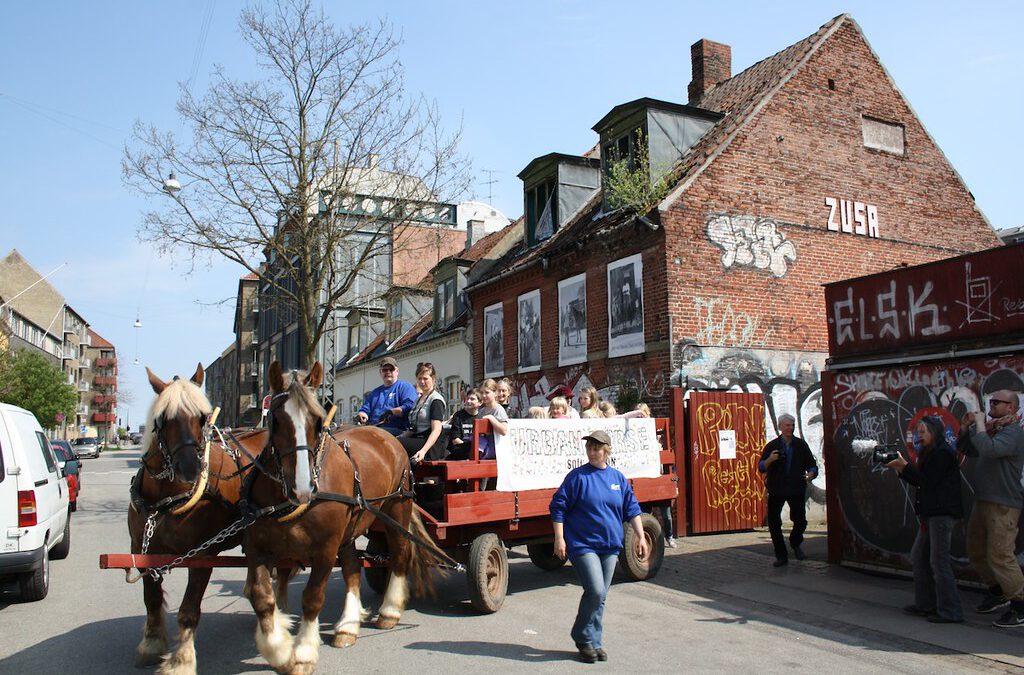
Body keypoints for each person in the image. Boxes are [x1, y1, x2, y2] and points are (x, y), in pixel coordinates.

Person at [550, 430, 648, 663]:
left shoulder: (617, 478)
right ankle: (582, 637)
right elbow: (558, 507)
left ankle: (595, 641)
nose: (593, 453)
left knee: (601, 595)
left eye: (597, 449)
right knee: (595, 590)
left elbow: (632, 509)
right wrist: (559, 538)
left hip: (610, 545)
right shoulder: (578, 477)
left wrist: (641, 536)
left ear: (607, 451)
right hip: (583, 544)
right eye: (590, 448)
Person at [885, 416, 964, 623]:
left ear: (934, 432)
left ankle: (950, 610)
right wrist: (900, 467)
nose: (920, 436)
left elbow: (927, 482)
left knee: (938, 561)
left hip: (941, 513)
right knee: (919, 556)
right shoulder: (930, 453)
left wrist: (903, 466)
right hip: (931, 513)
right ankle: (926, 604)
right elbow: (921, 482)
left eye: (923, 432)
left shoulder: (942, 454)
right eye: (918, 432)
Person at [961, 389, 1024, 628]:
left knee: (1001, 554)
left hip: (1003, 504)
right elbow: (969, 449)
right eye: (991, 401)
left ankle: (1020, 605)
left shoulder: (1013, 433)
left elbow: (989, 449)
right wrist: (966, 427)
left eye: (997, 402)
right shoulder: (991, 430)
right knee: (976, 550)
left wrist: (978, 425)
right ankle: (998, 592)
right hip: (984, 499)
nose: (992, 405)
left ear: (1011, 407)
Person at [758, 413, 818, 567]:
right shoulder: (772, 446)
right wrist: (770, 459)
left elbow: (811, 464)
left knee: (800, 521)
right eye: (787, 425)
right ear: (780, 427)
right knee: (774, 523)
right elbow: (761, 466)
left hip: (796, 487)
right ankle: (781, 556)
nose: (790, 428)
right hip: (777, 488)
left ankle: (795, 541)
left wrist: (811, 473)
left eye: (792, 425)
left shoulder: (800, 445)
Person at [631, 402, 675, 548]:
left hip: (659, 476)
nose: (640, 417)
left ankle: (670, 536)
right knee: (644, 513)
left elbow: (665, 454)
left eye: (642, 413)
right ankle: (645, 538)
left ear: (648, 413)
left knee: (666, 514)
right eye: (637, 414)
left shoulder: (655, 432)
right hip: (643, 478)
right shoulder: (633, 433)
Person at [399, 363, 447, 464]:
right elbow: (414, 427)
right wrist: (399, 436)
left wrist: (423, 451)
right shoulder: (418, 400)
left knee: (396, 444)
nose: (422, 382)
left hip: (429, 444)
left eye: (425, 378)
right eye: (419, 378)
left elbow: (436, 430)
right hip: (416, 437)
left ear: (433, 379)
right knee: (388, 440)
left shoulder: (436, 400)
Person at [355, 357, 417, 436]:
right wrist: (362, 415)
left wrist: (391, 412)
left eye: (391, 369)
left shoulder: (405, 387)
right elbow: (365, 410)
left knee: (374, 433)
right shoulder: (374, 393)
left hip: (396, 430)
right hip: (373, 428)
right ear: (380, 372)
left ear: (397, 371)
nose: (388, 372)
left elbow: (409, 406)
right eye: (385, 370)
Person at [476, 379, 509, 460]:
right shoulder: (482, 411)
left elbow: (504, 430)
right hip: (483, 449)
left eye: (487, 392)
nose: (483, 395)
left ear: (495, 393)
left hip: (496, 451)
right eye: (481, 393)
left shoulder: (498, 409)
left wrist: (491, 419)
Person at [447, 388, 481, 461]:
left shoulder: (482, 416)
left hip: (478, 450)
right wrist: (471, 449)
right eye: (467, 399)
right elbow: (455, 439)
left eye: (472, 399)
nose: (468, 401)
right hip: (460, 449)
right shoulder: (458, 415)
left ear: (480, 402)